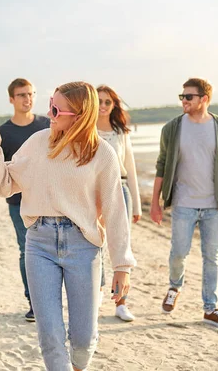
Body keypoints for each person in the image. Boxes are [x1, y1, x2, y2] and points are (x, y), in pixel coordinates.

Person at [0, 81, 136, 371]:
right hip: (38, 243)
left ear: (78, 114)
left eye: (55, 108)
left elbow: (116, 212)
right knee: (49, 336)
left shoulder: (102, 154)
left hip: (84, 245)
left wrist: (122, 266)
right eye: (50, 104)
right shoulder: (38, 143)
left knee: (83, 338)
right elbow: (5, 184)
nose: (49, 113)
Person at [150, 77, 218, 330]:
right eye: (182, 96)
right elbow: (162, 164)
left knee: (212, 257)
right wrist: (155, 203)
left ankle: (210, 308)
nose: (184, 101)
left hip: (214, 205)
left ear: (204, 99)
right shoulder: (172, 128)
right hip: (183, 203)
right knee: (179, 253)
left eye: (189, 97)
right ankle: (174, 286)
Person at [0, 78, 50, 322]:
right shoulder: (4, 132)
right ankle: (33, 302)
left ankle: (48, 300)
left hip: (49, 201)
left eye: (30, 94)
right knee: (27, 250)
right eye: (21, 95)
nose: (27, 99)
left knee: (50, 250)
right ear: (11, 99)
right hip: (18, 202)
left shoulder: (47, 125)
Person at [96, 84, 141, 322]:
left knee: (121, 247)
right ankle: (98, 293)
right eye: (99, 101)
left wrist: (137, 206)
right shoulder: (86, 130)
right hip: (93, 193)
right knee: (96, 244)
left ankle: (121, 303)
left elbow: (131, 168)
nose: (103, 106)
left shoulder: (121, 131)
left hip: (120, 190)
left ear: (113, 105)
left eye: (107, 102)